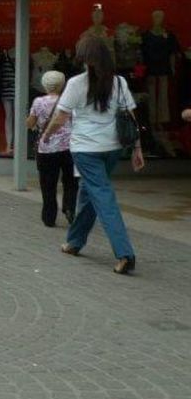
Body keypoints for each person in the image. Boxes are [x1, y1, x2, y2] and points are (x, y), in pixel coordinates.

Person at [42, 33, 144, 275]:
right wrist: (137, 148)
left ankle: (124, 253)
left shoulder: (77, 83)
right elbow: (131, 117)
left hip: (86, 150)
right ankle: (74, 242)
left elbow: (61, 116)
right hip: (112, 148)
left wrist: (46, 135)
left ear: (85, 59)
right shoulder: (119, 82)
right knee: (90, 195)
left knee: (104, 198)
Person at [27, 71, 78, 227]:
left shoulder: (38, 102)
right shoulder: (69, 100)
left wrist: (30, 120)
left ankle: (49, 216)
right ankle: (69, 207)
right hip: (69, 146)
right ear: (62, 84)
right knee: (71, 181)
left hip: (47, 147)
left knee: (48, 183)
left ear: (44, 84)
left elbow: (30, 123)